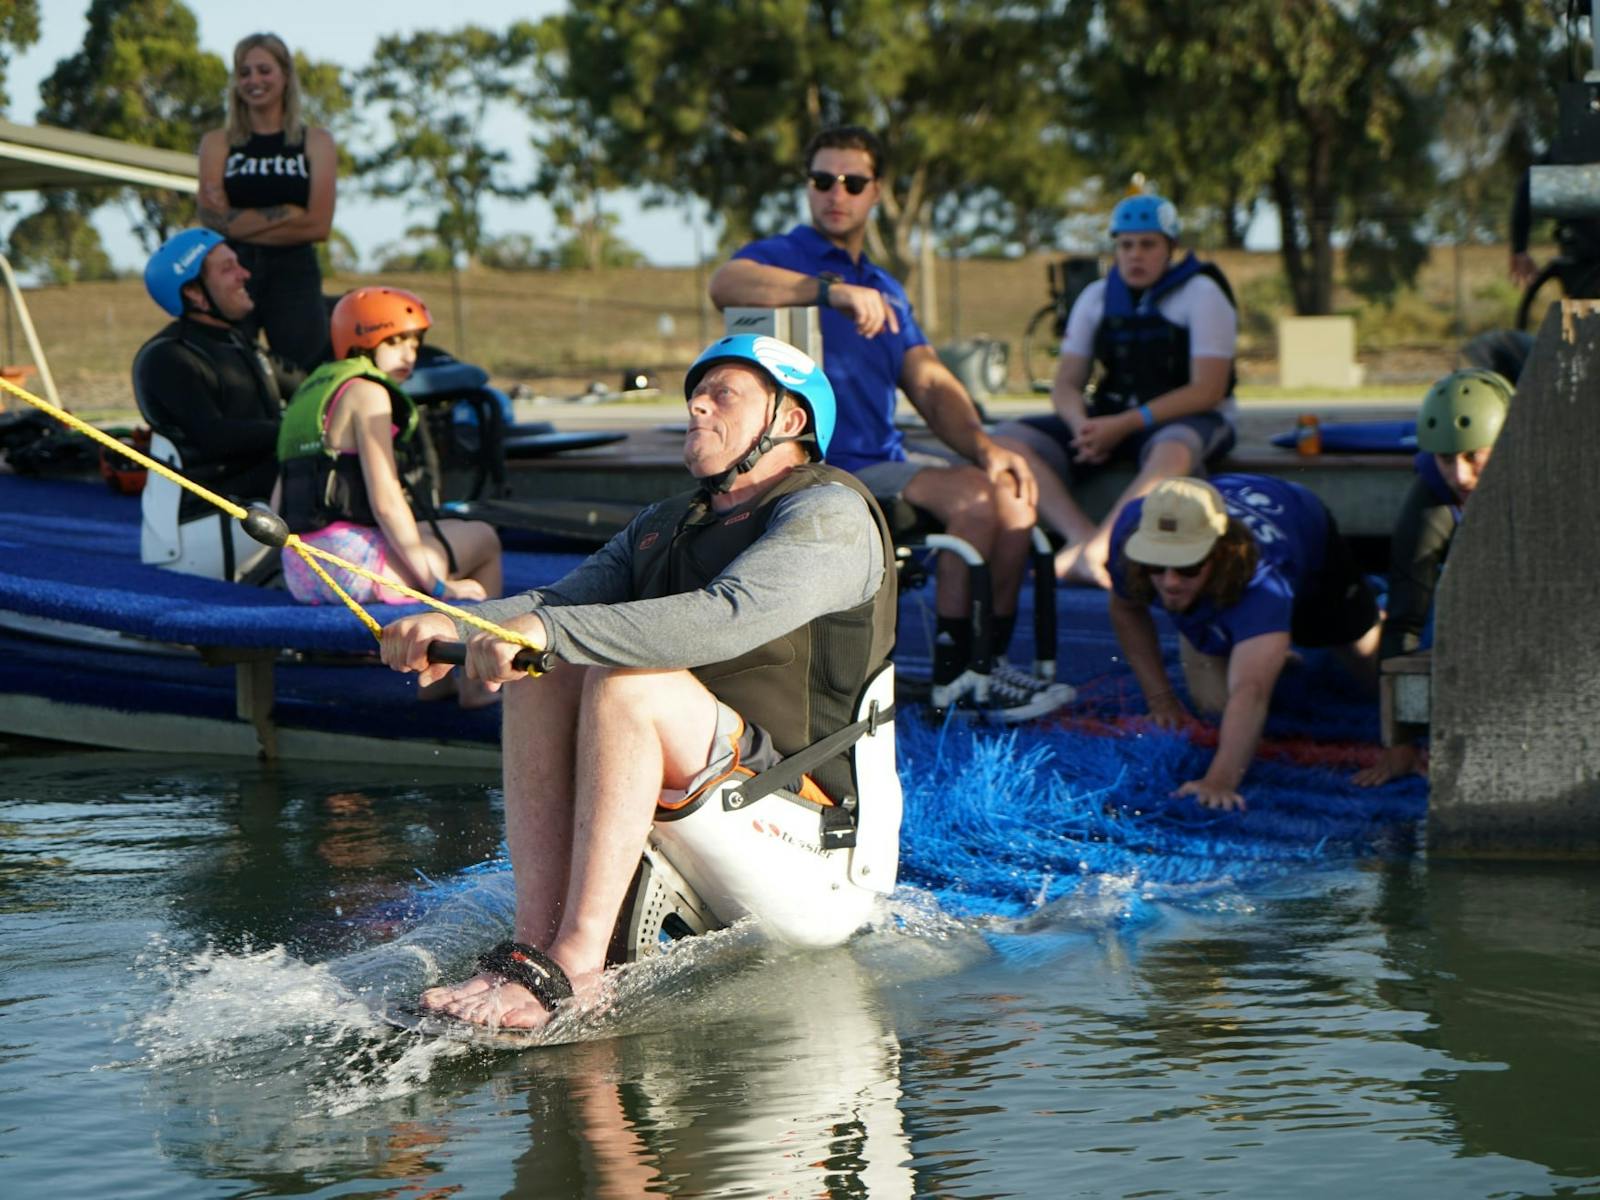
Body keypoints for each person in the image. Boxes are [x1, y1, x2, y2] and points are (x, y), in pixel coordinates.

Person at [379, 334, 898, 1030]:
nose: (696, 405)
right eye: (696, 393)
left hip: (811, 842)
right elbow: (557, 609)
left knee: (629, 685)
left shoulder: (830, 514)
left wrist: (549, 636)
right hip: (722, 790)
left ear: (790, 421)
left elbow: (726, 619)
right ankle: (535, 947)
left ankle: (577, 967)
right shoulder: (666, 522)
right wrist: (451, 623)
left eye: (723, 395)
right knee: (538, 669)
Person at [708, 124, 1072, 723]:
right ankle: (957, 680)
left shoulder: (886, 289)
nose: (837, 193)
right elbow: (726, 284)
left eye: (853, 182)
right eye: (823, 180)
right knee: (978, 502)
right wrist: (829, 292)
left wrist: (986, 446)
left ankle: (985, 665)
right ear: (808, 187)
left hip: (880, 463)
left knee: (1011, 498)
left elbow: (929, 382)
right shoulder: (785, 257)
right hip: (818, 470)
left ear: (877, 191)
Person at [994, 194, 1238, 589]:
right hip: (1113, 419)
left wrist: (1125, 424)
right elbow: (1065, 384)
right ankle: (1080, 536)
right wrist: (1081, 426)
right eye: (1126, 245)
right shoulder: (1095, 296)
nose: (1135, 255)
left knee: (1173, 450)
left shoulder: (1203, 294)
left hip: (1185, 419)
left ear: (1170, 248)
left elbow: (1207, 390)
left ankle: (1103, 547)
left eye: (1148, 244)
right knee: (1005, 440)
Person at [276, 287, 502, 704]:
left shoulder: (310, 395)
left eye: (414, 342)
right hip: (352, 569)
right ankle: (476, 685)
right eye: (395, 341)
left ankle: (440, 680)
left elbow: (278, 507)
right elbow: (385, 502)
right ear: (360, 341)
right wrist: (436, 583)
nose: (409, 354)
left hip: (303, 572)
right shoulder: (370, 394)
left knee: (447, 535)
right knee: (485, 539)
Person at [1108, 475, 1380, 812]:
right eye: (1155, 565)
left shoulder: (1262, 581)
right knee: (1214, 709)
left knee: (1367, 667)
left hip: (1303, 527)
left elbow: (1250, 692)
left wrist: (1220, 781)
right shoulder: (1127, 535)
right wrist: (1160, 700)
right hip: (1226, 567)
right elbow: (1126, 607)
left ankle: (1274, 640)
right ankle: (1243, 638)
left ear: (1219, 552)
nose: (1170, 581)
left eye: (1188, 566)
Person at [1353, 369, 1512, 788]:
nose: (1460, 476)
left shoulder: (1545, 472)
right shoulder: (1433, 496)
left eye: (1474, 456)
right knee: (1408, 606)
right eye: (1446, 459)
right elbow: (1406, 620)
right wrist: (1399, 739)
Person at [133, 227, 301, 579]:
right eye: (228, 269)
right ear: (194, 293)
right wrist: (298, 430)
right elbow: (214, 438)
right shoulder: (169, 357)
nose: (245, 274)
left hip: (258, 504)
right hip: (207, 526)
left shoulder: (240, 344)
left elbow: (308, 385)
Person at [198, 32, 337, 371]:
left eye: (264, 70)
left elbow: (318, 224)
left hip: (295, 271)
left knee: (304, 372)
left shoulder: (315, 142)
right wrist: (289, 214)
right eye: (244, 72)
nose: (254, 80)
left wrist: (238, 221)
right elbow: (211, 217)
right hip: (234, 269)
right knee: (231, 369)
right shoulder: (218, 143)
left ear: (285, 76)